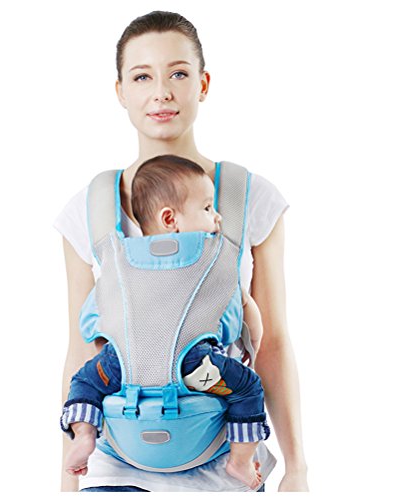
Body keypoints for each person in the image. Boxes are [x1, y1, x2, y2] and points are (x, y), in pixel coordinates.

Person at [54, 10, 309, 492]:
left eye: (178, 74)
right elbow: (81, 349)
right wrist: (66, 483)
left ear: (203, 83)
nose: (161, 93)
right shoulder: (89, 209)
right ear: (120, 91)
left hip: (221, 466)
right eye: (142, 77)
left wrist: (297, 469)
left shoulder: (247, 198)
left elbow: (272, 342)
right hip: (116, 463)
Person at [60, 155, 270, 490]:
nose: (217, 217)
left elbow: (91, 322)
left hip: (120, 365)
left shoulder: (120, 261)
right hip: (195, 367)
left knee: (84, 382)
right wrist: (254, 343)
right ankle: (240, 460)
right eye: (207, 208)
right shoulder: (212, 260)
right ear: (170, 219)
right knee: (247, 388)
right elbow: (244, 312)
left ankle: (84, 433)